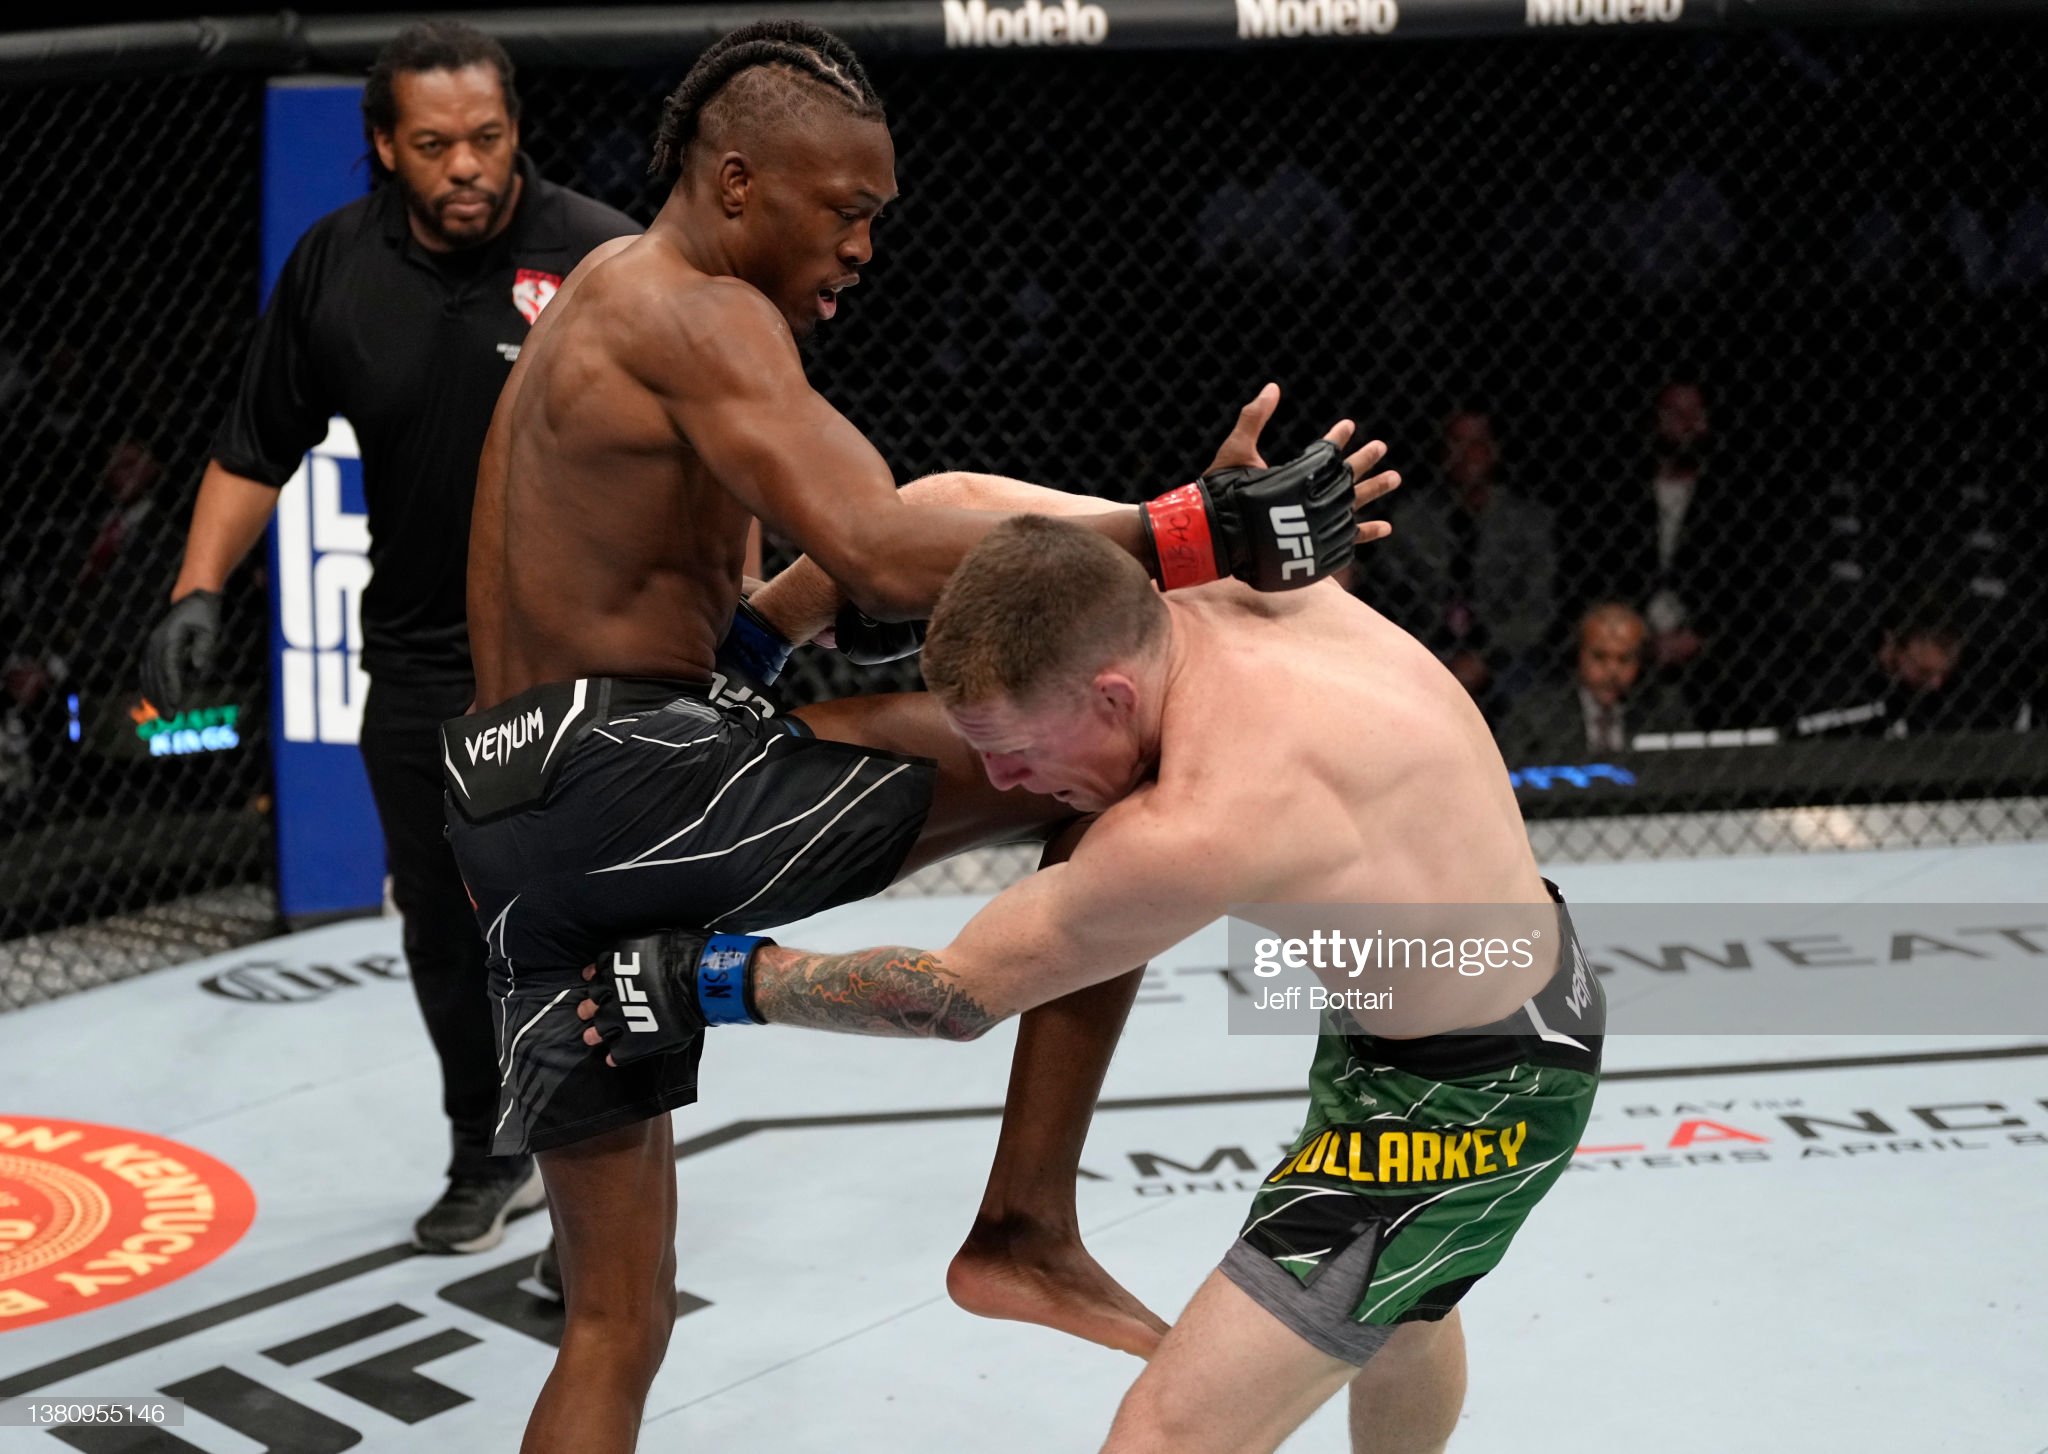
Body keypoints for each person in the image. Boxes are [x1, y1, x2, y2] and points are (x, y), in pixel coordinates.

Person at [440, 20, 1384, 1451]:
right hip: (627, 775)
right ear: (739, 181)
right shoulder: (703, 311)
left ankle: (1021, 1226)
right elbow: (879, 549)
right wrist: (1194, 532)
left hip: (510, 814)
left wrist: (765, 637)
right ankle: (1025, 1220)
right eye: (847, 209)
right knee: (1100, 765)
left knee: (615, 1321)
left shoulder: (605, 298)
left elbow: (668, 598)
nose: (864, 247)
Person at [580, 515, 1604, 1454]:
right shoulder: (1232, 582)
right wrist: (760, 633)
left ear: (1111, 695)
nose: (1007, 785)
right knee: (1405, 1308)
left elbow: (951, 993)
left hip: (1470, 1103)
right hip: (1488, 983)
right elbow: (959, 500)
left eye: (1018, 751)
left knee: (1164, 1435)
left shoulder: (1206, 819)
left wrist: (716, 977)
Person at [139, 22, 641, 1254]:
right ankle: (487, 1146)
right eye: (433, 144)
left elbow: (706, 437)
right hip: (418, 654)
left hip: (580, 651)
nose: (465, 165)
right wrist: (196, 588)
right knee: (441, 921)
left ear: (515, 130)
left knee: (581, 924)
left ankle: (608, 1202)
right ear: (383, 147)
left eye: (485, 137)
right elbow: (256, 445)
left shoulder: (599, 257)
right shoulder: (337, 263)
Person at [1372, 408, 1555, 715]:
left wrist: (1486, 656)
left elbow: (1537, 608)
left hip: (1502, 652)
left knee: (1526, 684)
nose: (1466, 453)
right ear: (1442, 451)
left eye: (1477, 442)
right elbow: (1388, 595)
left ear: (1494, 450)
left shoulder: (1528, 521)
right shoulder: (1412, 518)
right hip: (1426, 647)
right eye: (1456, 442)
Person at [1497, 600, 1692, 761]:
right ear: (1578, 654)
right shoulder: (1536, 714)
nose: (1612, 671)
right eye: (1599, 656)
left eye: (1624, 659)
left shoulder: (1662, 710)